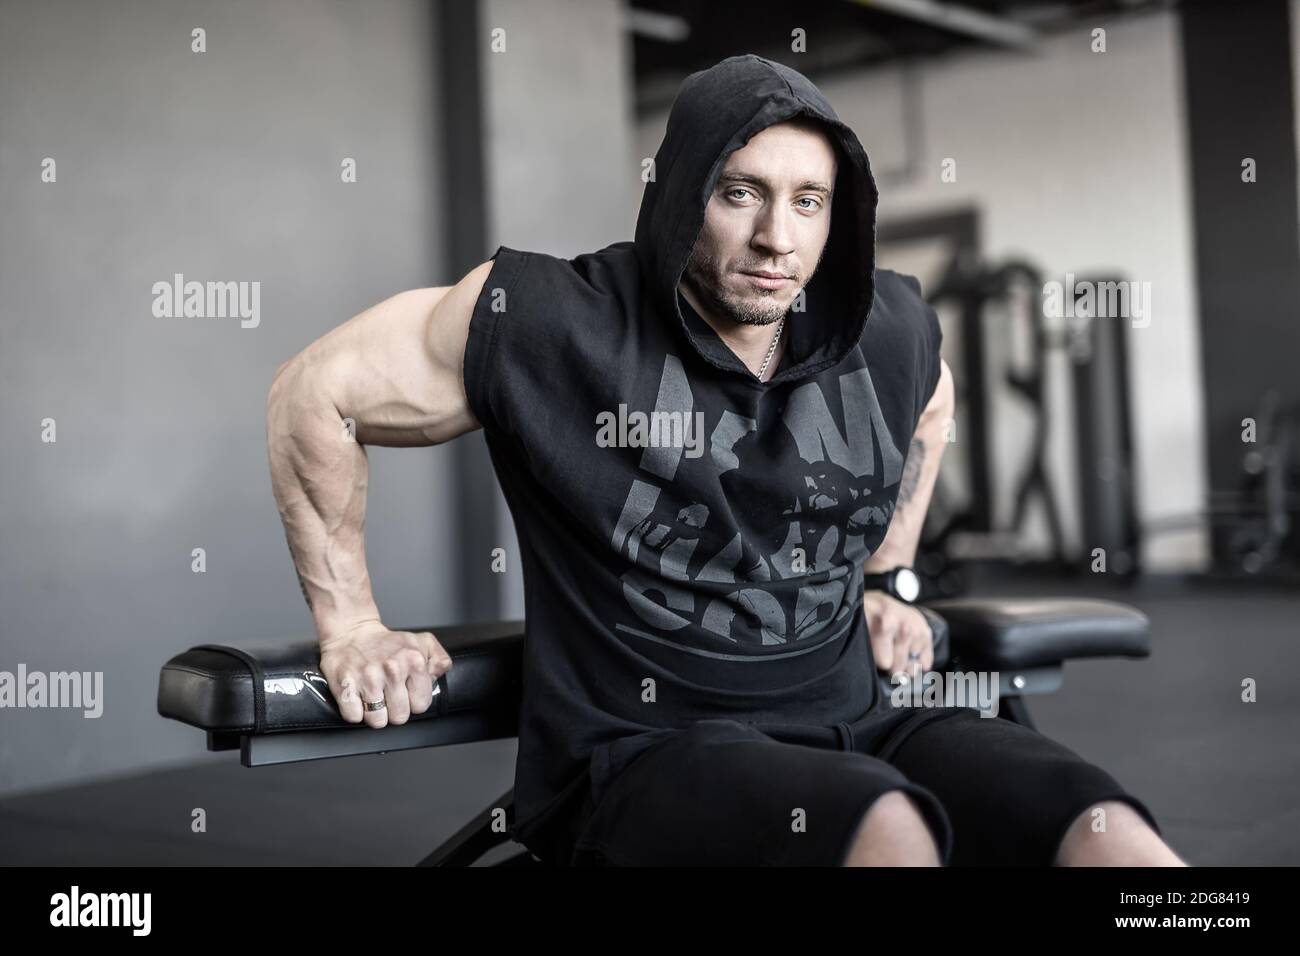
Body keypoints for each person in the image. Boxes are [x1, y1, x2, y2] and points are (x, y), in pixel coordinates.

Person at [266, 54, 1184, 867]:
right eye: (740, 192)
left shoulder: (887, 327)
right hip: (644, 749)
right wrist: (352, 626)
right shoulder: (550, 319)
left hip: (864, 724)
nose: (778, 238)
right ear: (680, 194)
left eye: (808, 202)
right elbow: (316, 392)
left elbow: (932, 405)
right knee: (891, 831)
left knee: (1104, 828)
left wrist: (890, 580)